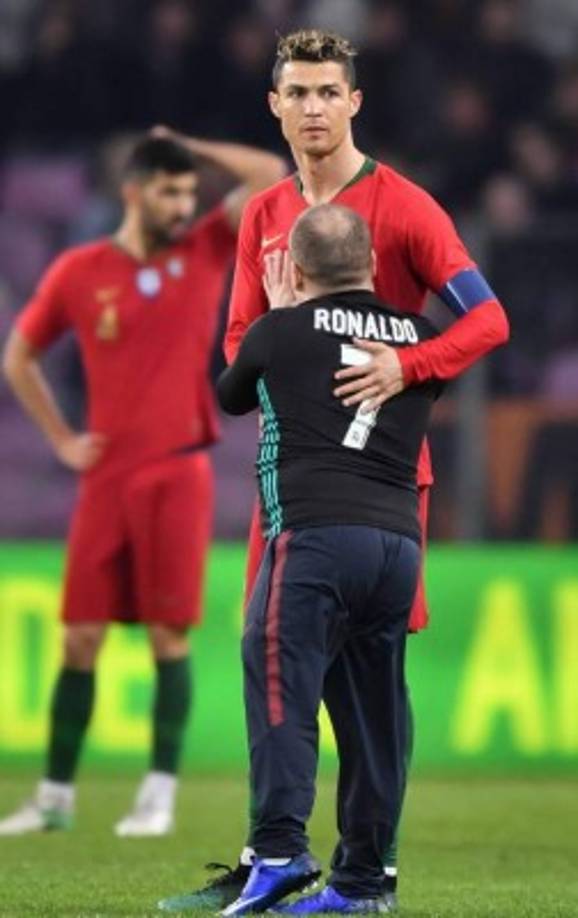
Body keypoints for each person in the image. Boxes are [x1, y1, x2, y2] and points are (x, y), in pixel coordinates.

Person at [172, 27, 509, 911]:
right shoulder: (263, 215)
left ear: (354, 103)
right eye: (300, 93)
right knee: (277, 660)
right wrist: (286, 342)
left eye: (330, 92)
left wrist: (408, 365)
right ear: (275, 106)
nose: (315, 107)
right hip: (289, 480)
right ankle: (272, 855)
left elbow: (486, 321)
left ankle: (359, 870)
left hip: (387, 481)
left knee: (360, 680)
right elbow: (240, 338)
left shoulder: (405, 207)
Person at [161, 203, 446, 915]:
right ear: (374, 264)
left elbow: (229, 396)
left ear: (300, 269)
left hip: (314, 537)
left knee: (280, 677)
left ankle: (282, 848)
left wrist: (283, 314)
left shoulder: (277, 331)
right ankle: (361, 883)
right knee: (376, 714)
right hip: (396, 545)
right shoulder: (418, 336)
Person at [0, 133, 285, 837]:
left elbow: (270, 173)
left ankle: (157, 795)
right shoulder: (80, 269)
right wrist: (63, 439)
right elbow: (20, 356)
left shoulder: (204, 251)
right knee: (81, 640)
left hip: (178, 471)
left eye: (189, 193)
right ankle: (56, 798)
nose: (184, 205)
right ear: (133, 193)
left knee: (167, 635)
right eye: (170, 191)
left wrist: (186, 144)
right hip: (107, 477)